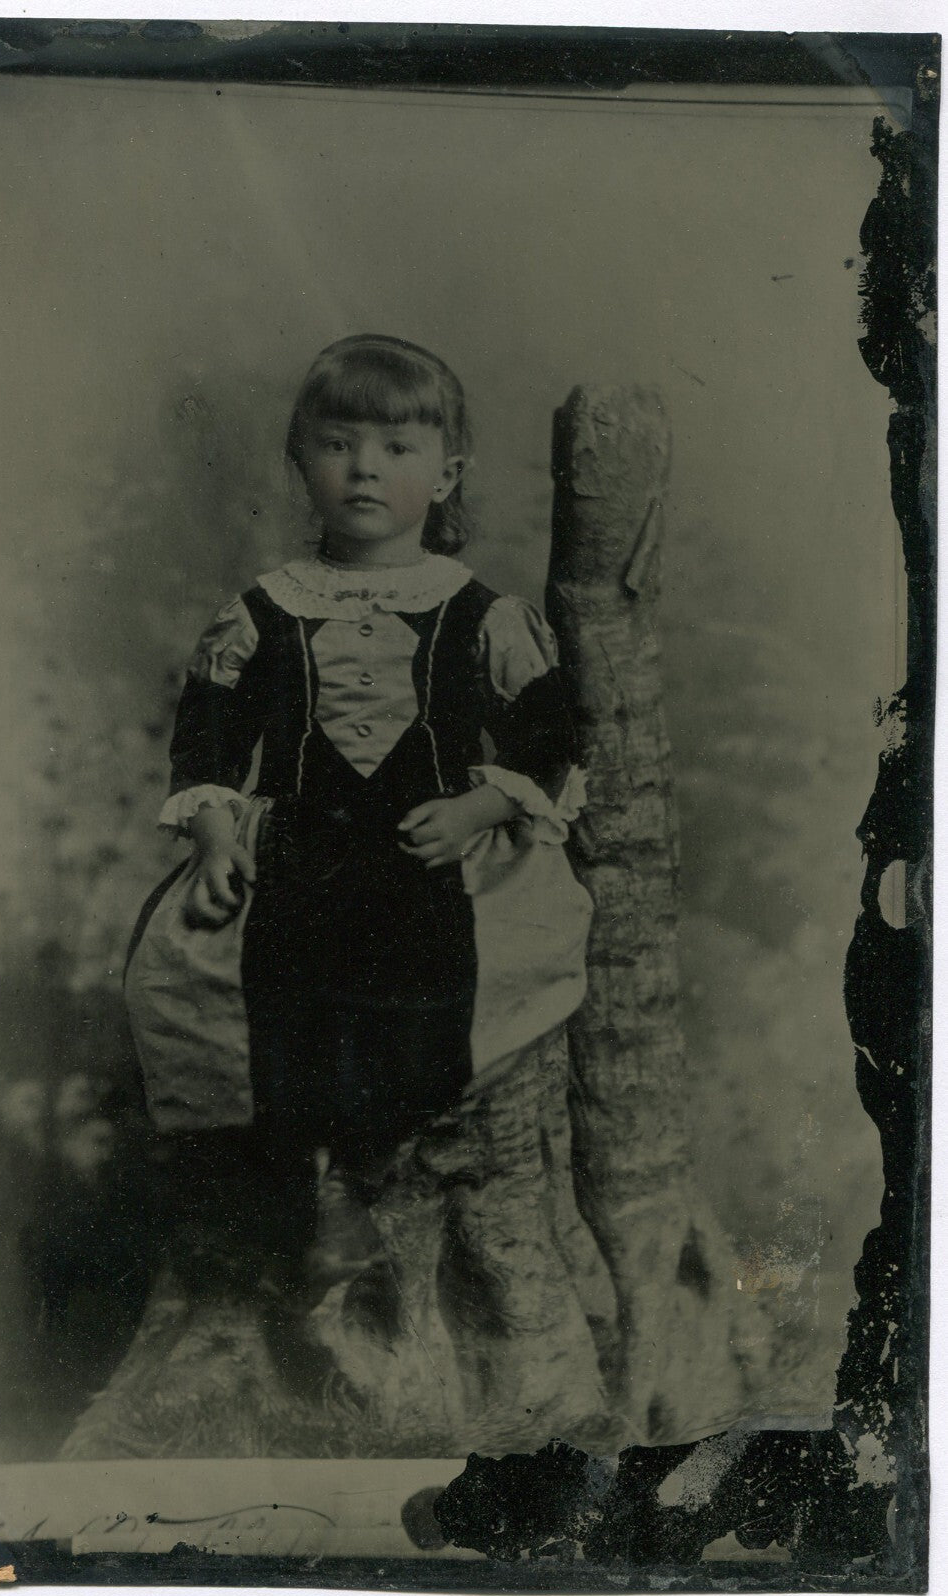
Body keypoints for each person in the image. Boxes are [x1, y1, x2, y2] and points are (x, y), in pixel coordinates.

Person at [127, 334, 592, 1296]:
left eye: (396, 448)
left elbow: (550, 740)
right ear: (301, 461)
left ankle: (382, 1185)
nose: (365, 469)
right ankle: (312, 1202)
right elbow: (207, 746)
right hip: (301, 854)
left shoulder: (480, 614)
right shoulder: (260, 613)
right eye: (338, 445)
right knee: (266, 991)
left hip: (433, 863)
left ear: (445, 474)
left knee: (426, 997)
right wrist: (213, 839)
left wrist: (476, 809)